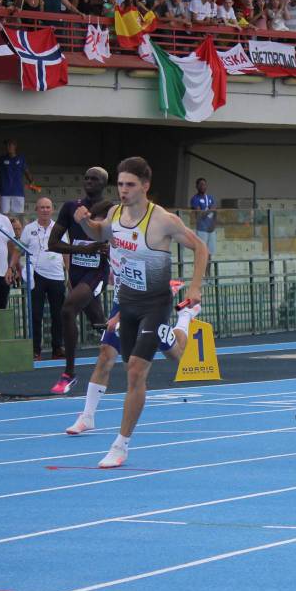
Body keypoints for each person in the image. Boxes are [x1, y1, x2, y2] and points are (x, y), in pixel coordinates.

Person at [74, 156, 207, 468]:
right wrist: (83, 222)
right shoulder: (116, 214)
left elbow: (201, 248)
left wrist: (195, 287)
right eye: (120, 184)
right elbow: (99, 233)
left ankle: (121, 445)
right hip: (128, 302)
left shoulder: (163, 221)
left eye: (130, 185)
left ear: (145, 186)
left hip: (155, 302)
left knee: (135, 370)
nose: (123, 190)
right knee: (176, 356)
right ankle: (186, 319)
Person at [66, 200, 200, 436]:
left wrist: (118, 315)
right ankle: (87, 416)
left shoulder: (141, 242)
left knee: (176, 355)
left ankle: (185, 317)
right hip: (124, 299)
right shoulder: (109, 241)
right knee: (106, 354)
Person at [47, 167, 111, 394]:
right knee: (100, 325)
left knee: (67, 309)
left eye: (94, 179)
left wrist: (106, 251)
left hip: (97, 273)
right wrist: (83, 248)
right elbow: (52, 244)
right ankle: (125, 342)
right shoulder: (70, 207)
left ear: (104, 183)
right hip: (76, 271)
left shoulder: (112, 209)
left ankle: (69, 373)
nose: (89, 181)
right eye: (86, 178)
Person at [21, 197, 67, 360]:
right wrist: (13, 267)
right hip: (36, 275)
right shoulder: (28, 229)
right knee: (36, 314)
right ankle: (35, 350)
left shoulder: (60, 228)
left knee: (58, 314)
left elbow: (66, 252)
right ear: (36, 209)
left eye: (48, 207)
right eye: (42, 207)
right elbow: (19, 249)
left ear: (52, 209)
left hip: (56, 275)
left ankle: (58, 348)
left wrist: (69, 275)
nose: (45, 210)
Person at [0, 138, 35, 216]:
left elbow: (27, 172)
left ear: (15, 146)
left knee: (18, 215)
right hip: (4, 192)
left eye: (10, 144)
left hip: (18, 192)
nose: (8, 147)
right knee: (4, 215)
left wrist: (32, 182)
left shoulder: (21, 158)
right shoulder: (2, 159)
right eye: (7, 145)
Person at [189, 177, 216, 260]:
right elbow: (199, 214)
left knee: (210, 253)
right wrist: (209, 210)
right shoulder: (195, 199)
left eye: (204, 184)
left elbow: (214, 210)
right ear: (197, 186)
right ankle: (202, 272)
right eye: (201, 184)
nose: (203, 186)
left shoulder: (210, 197)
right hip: (201, 229)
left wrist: (206, 211)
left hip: (211, 229)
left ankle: (208, 273)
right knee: (202, 252)